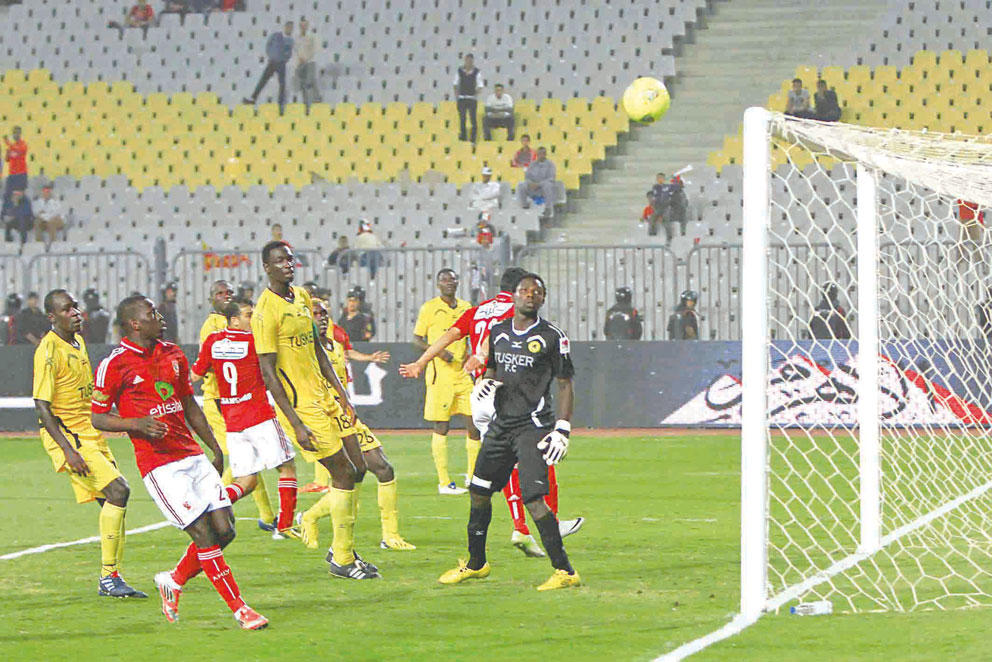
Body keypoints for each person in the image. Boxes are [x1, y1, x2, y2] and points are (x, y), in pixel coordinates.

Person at [92, 295, 267, 629]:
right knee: (202, 534)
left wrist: (214, 448)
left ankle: (173, 580)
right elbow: (97, 416)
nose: (160, 317)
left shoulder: (172, 353)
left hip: (191, 454)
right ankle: (240, 609)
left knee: (225, 531)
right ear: (135, 323)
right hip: (159, 465)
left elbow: (189, 404)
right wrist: (135, 424)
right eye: (152, 313)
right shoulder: (114, 364)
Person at [399, 267, 582, 557]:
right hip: (508, 392)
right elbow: (500, 338)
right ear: (517, 289)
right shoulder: (517, 312)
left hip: (480, 392)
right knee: (536, 454)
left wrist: (420, 363)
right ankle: (538, 524)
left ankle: (520, 527)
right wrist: (481, 355)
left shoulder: (477, 310)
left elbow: (449, 336)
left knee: (506, 460)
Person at [438, 273, 581, 591]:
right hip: (501, 425)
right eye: (524, 291)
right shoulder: (499, 331)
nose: (530, 295)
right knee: (479, 490)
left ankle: (565, 571)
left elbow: (565, 385)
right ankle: (476, 564)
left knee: (533, 498)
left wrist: (562, 429)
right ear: (513, 296)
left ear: (543, 299)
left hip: (533, 427)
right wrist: (486, 384)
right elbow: (492, 367)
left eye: (536, 292)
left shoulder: (552, 337)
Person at [252, 241, 378, 579]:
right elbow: (268, 372)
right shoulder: (265, 311)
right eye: (280, 260)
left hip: (326, 396)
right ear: (267, 267)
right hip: (302, 406)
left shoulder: (303, 298)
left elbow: (319, 350)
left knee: (359, 468)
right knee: (343, 472)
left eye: (290, 259)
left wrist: (342, 394)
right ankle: (343, 558)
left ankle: (340, 548)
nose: (287, 264)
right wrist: (295, 423)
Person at [33, 289, 146, 598]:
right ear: (52, 316)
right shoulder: (48, 350)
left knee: (114, 501)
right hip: (70, 437)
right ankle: (109, 578)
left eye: (75, 307)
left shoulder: (78, 342)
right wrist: (68, 451)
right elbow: (42, 405)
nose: (75, 313)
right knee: (119, 491)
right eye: (67, 309)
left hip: (89, 432)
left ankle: (112, 577)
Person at [311, 298, 414, 550]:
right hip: (327, 419)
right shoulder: (302, 351)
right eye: (316, 314)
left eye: (324, 313)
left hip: (348, 417)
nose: (322, 318)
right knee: (350, 477)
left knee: (383, 469)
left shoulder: (335, 344)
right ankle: (314, 520)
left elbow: (343, 370)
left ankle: (390, 536)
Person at [191, 299, 299, 540]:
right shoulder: (255, 342)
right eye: (249, 315)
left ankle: (210, 508)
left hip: (233, 423)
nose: (254, 319)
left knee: (247, 481)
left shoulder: (213, 341)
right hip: (260, 416)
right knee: (286, 467)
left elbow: (195, 375)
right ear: (234, 320)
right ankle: (284, 527)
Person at [196, 280, 277, 530]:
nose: (226, 296)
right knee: (241, 460)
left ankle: (267, 516)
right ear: (211, 299)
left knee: (248, 460)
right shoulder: (212, 326)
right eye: (220, 293)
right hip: (220, 399)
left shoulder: (232, 321)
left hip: (236, 401)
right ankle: (211, 505)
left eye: (229, 292)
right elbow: (210, 363)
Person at [411, 269, 479, 495]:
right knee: (442, 426)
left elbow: (470, 336)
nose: (449, 282)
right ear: (438, 284)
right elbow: (417, 340)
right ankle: (444, 482)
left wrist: (470, 354)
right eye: (444, 279)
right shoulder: (429, 308)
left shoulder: (466, 307)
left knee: (475, 425)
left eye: (452, 279)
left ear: (458, 283)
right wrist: (439, 352)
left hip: (463, 374)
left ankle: (472, 477)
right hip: (440, 375)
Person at [243, 21, 294, 113]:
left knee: (282, 84)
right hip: (272, 62)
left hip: (281, 63)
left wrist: (284, 59)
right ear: (285, 27)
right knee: (263, 80)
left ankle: (281, 103)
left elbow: (289, 53)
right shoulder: (275, 35)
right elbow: (268, 45)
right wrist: (271, 55)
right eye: (288, 27)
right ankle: (253, 98)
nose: (289, 29)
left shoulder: (290, 40)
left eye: (291, 28)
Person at [516, 147, 557, 219]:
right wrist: (530, 183)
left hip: (543, 189)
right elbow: (527, 177)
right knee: (521, 185)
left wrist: (539, 184)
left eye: (542, 153)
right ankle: (524, 206)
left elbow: (551, 178)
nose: (540, 155)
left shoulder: (551, 165)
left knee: (548, 185)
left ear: (545, 154)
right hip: (532, 187)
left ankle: (548, 208)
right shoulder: (532, 164)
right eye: (539, 154)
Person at [453, 54, 484, 143]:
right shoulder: (459, 71)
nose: (469, 62)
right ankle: (463, 138)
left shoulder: (477, 72)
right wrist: (457, 96)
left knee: (473, 120)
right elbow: (455, 84)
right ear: (465, 60)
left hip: (471, 99)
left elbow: (480, 85)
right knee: (462, 119)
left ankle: (473, 139)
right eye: (467, 60)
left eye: (471, 61)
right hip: (462, 98)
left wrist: (475, 94)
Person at [295, 17, 321, 109]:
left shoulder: (311, 37)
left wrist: (306, 58)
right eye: (301, 25)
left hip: (310, 62)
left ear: (307, 26)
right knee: (303, 84)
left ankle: (317, 100)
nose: (303, 27)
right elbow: (296, 50)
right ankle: (306, 104)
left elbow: (314, 50)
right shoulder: (297, 37)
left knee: (310, 82)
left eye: (305, 25)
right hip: (300, 63)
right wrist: (299, 60)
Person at [3, 126, 28, 206]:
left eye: (17, 133)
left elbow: (19, 151)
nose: (15, 134)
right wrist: (7, 152)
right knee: (8, 195)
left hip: (21, 174)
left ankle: (21, 212)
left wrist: (8, 143)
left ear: (20, 134)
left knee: (20, 197)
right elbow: (7, 159)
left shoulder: (23, 144)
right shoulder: (12, 146)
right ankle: (8, 212)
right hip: (12, 174)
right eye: (14, 133)